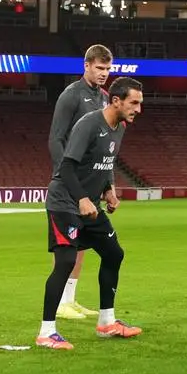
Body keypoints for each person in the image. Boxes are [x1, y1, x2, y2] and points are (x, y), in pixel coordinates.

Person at [36, 76, 144, 350]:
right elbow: (68, 167)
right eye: (134, 102)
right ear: (116, 100)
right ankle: (46, 332)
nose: (138, 109)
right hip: (65, 203)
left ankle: (107, 322)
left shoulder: (119, 127)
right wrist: (83, 198)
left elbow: (104, 162)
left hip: (89, 206)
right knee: (65, 262)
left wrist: (109, 189)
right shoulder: (88, 124)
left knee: (114, 253)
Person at [47, 44, 113, 320]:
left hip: (92, 185)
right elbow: (56, 139)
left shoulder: (106, 98)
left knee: (82, 244)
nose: (104, 73)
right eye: (99, 68)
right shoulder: (71, 96)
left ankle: (70, 300)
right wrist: (67, 177)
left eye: (108, 69)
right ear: (86, 65)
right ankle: (60, 303)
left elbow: (105, 145)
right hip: (72, 184)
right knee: (68, 245)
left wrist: (108, 184)